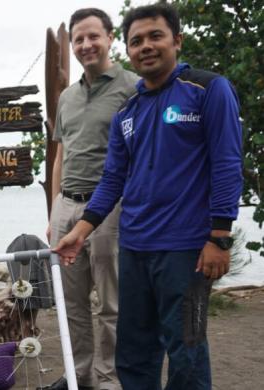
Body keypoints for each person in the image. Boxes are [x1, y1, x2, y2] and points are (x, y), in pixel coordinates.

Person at [55, 3, 243, 389]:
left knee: (186, 352)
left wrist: (220, 237)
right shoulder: (129, 110)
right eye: (136, 41)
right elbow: (113, 179)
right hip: (135, 246)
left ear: (177, 40)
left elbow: (227, 164)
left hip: (186, 250)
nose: (146, 47)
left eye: (155, 36)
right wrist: (82, 229)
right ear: (127, 49)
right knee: (134, 355)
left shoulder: (208, 90)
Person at [41, 8, 138, 390]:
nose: (85, 45)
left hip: (110, 209)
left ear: (110, 37)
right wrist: (54, 210)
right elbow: (60, 158)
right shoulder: (66, 96)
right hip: (67, 206)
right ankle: (78, 374)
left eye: (93, 36)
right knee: (71, 303)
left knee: (111, 303)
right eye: (79, 39)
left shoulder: (132, 88)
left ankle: (109, 377)